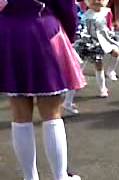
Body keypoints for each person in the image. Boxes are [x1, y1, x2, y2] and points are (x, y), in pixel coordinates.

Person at [0, 0, 86, 179]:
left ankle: (29, 177)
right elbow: (66, 7)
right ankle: (60, 177)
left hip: (7, 33)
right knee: (52, 113)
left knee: (19, 113)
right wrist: (69, 35)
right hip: (42, 31)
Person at [75, 0, 119, 98]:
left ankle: (111, 70)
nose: (97, 3)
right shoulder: (87, 15)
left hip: (105, 37)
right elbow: (84, 29)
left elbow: (109, 25)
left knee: (116, 52)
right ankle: (102, 88)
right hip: (93, 40)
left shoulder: (107, 11)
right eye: (93, 2)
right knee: (98, 64)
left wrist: (111, 34)